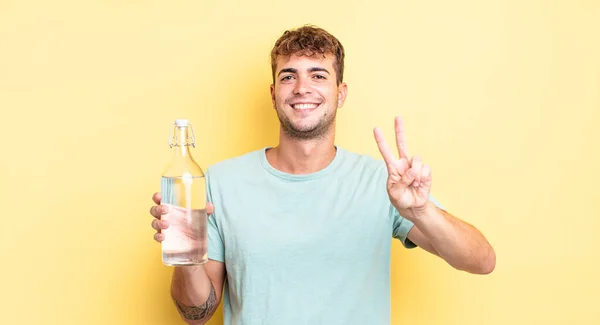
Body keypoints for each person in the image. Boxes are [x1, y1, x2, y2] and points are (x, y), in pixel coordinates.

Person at [149, 25, 495, 325]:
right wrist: (187, 255)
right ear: (273, 95)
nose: (302, 88)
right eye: (288, 75)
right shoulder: (220, 182)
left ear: (340, 94)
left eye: (318, 75)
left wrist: (421, 211)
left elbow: (481, 261)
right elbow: (196, 313)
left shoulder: (383, 183)